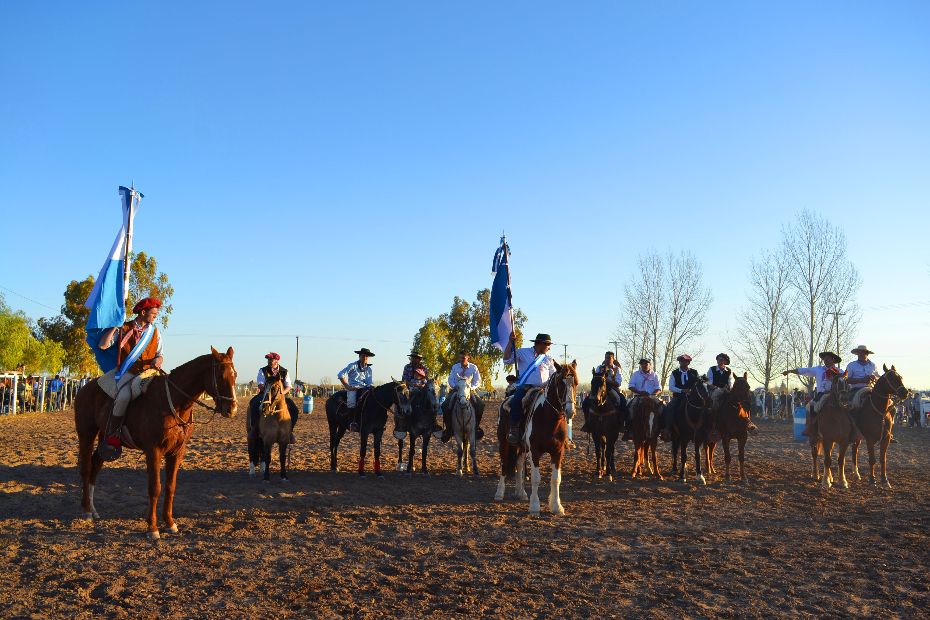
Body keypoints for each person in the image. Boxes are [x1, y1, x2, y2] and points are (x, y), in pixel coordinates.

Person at [96, 297, 164, 460]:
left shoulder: (155, 332)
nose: (155, 316)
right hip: (128, 372)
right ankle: (113, 434)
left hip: (149, 373)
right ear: (143, 312)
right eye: (153, 313)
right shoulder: (124, 328)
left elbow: (160, 354)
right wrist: (114, 327)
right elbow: (102, 345)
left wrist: (158, 360)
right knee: (124, 396)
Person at [504, 333, 558, 445]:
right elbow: (507, 360)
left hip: (544, 389)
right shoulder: (522, 352)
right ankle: (514, 429)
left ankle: (561, 433)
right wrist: (510, 343)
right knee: (516, 401)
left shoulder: (548, 358)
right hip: (526, 387)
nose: (549, 347)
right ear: (540, 344)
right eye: (548, 345)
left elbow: (553, 375)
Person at [783, 351, 844, 437]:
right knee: (811, 405)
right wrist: (790, 371)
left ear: (833, 360)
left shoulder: (839, 371)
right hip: (822, 394)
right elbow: (805, 370)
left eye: (828, 359)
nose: (825, 360)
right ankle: (811, 427)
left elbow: (845, 381)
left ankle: (850, 428)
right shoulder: (818, 369)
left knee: (847, 405)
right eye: (824, 359)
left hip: (836, 394)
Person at [255, 352, 299, 443]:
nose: (269, 361)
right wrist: (268, 391)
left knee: (294, 409)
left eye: (271, 360)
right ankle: (255, 430)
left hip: (280, 396)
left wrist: (281, 393)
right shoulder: (263, 370)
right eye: (268, 360)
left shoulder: (284, 371)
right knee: (253, 404)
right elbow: (260, 384)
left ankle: (289, 431)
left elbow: (288, 386)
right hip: (265, 395)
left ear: (277, 361)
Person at [442, 352, 485, 441]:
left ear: (468, 358)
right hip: (456, 389)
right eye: (460, 358)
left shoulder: (474, 367)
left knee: (480, 404)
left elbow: (477, 381)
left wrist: (470, 388)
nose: (461, 360)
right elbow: (450, 379)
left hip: (470, 390)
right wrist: (456, 387)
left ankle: (476, 427)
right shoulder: (455, 367)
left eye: (463, 358)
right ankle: (449, 429)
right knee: (445, 405)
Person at [580, 351, 627, 434]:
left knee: (622, 401)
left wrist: (607, 380)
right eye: (606, 358)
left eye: (609, 358)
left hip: (612, 388)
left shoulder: (617, 369)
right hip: (599, 388)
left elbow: (618, 383)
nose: (607, 360)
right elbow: (596, 378)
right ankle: (587, 423)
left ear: (613, 359)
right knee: (586, 402)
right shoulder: (599, 367)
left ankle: (621, 423)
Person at [661, 354, 700, 441]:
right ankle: (667, 429)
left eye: (685, 361)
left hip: (692, 397)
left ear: (688, 362)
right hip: (678, 397)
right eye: (681, 361)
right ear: (679, 362)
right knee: (670, 407)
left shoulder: (694, 372)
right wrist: (682, 390)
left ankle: (705, 430)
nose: (683, 362)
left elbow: (698, 384)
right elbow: (671, 387)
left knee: (704, 407)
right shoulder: (674, 373)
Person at [402, 350, 440, 433]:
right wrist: (413, 385)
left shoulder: (424, 368)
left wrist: (423, 385)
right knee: (403, 400)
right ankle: (403, 422)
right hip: (410, 388)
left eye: (417, 358)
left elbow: (426, 380)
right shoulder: (407, 367)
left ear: (420, 359)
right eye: (413, 358)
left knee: (432, 399)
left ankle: (434, 421)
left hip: (422, 388)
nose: (415, 359)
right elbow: (404, 380)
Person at [338, 347, 374, 432]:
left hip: (365, 388)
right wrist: (347, 386)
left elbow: (369, 382)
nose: (365, 358)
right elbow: (340, 374)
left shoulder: (369, 369)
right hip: (353, 388)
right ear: (359, 356)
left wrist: (372, 387)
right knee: (351, 402)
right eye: (363, 356)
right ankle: (352, 422)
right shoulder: (352, 366)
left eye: (367, 356)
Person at [626, 358, 661, 438]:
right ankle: (629, 429)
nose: (644, 365)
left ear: (650, 365)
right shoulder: (636, 374)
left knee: (662, 409)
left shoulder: (655, 375)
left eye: (646, 364)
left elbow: (658, 388)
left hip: (652, 397)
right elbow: (631, 386)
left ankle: (662, 429)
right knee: (629, 408)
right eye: (642, 364)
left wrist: (652, 394)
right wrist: (640, 392)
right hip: (639, 396)